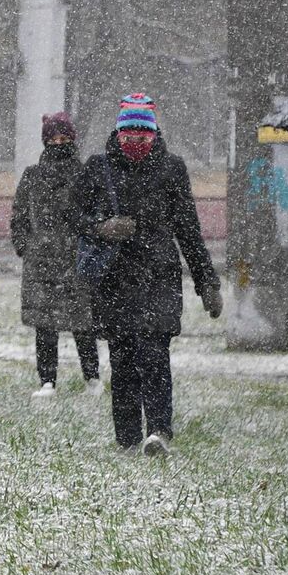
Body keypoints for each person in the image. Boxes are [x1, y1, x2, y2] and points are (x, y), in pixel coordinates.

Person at [75, 93, 221, 454]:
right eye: (129, 132)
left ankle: (159, 431)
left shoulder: (172, 169)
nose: (135, 140)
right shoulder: (97, 167)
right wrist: (101, 227)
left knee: (155, 353)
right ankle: (127, 438)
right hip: (114, 278)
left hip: (159, 275)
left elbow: (188, 229)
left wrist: (207, 283)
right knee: (123, 358)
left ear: (154, 132)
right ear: (118, 131)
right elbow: (71, 215)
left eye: (143, 132)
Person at [11, 112, 102, 397]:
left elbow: (97, 213)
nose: (58, 143)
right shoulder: (32, 176)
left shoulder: (86, 175)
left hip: (78, 259)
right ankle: (47, 380)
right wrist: (24, 244)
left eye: (63, 138)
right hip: (42, 261)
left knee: (83, 322)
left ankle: (93, 378)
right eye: (52, 139)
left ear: (72, 140)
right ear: (45, 141)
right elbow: (19, 215)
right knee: (45, 324)